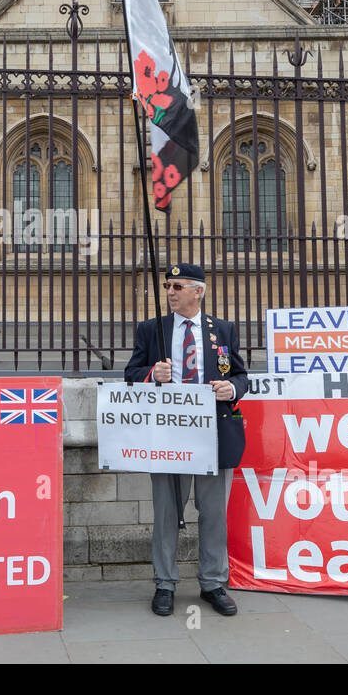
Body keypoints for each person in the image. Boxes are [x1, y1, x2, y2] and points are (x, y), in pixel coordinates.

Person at [124, 263, 248, 618]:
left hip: (213, 433)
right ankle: (165, 582)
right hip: (168, 434)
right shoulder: (152, 330)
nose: (170, 292)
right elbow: (130, 374)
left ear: (199, 291)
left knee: (212, 513)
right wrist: (151, 373)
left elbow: (240, 374)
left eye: (178, 286)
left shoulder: (221, 329)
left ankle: (212, 582)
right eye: (167, 286)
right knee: (166, 511)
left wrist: (231, 388)